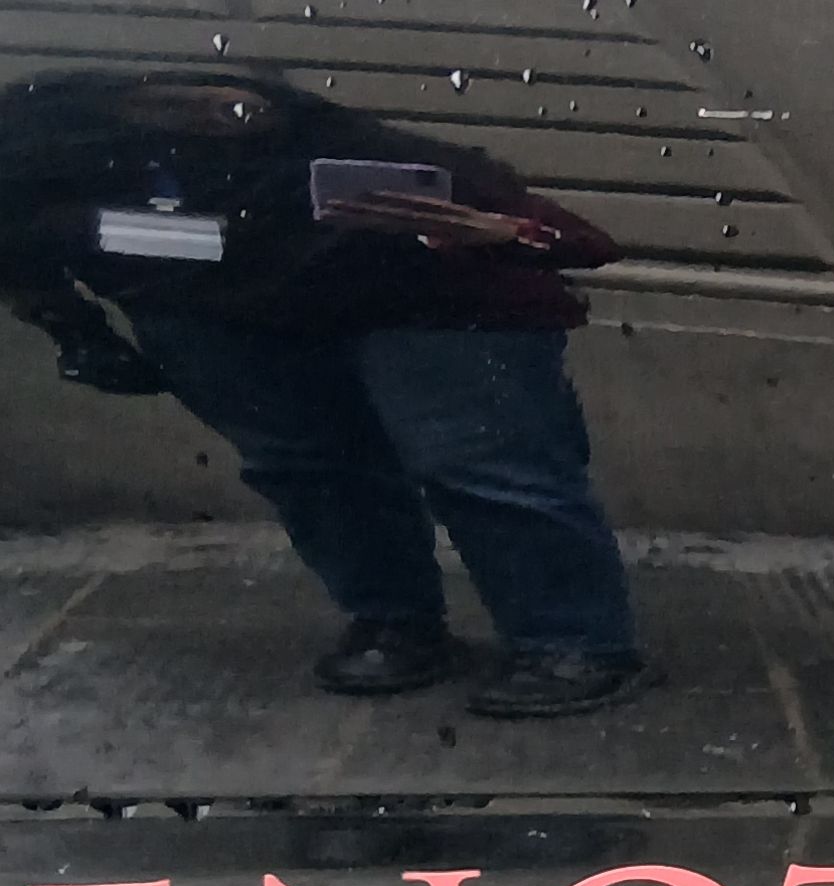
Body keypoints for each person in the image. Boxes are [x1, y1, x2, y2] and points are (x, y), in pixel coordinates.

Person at [0, 71, 650, 717]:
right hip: (202, 303)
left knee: (479, 463)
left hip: (420, 286)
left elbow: (561, 234)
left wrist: (509, 234)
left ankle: (574, 641)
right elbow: (22, 257)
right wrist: (77, 332)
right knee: (304, 466)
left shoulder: (199, 128)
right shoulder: (43, 156)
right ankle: (395, 621)